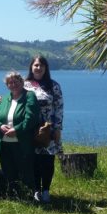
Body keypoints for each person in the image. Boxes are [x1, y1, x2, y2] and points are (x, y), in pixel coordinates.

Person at [0, 71, 39, 198]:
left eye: (16, 82)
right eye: (10, 83)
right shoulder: (5, 98)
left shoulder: (29, 96)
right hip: (4, 143)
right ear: (7, 85)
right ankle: (13, 195)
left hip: (21, 142)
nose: (13, 84)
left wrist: (16, 130)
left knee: (25, 170)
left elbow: (31, 118)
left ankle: (29, 195)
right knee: (8, 170)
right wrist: (0, 126)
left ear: (22, 82)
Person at [24, 55, 64, 203]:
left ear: (46, 68)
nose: (38, 68)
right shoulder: (24, 85)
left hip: (49, 129)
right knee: (33, 161)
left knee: (47, 160)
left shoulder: (53, 86)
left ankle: (46, 190)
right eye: (36, 65)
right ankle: (36, 190)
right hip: (30, 129)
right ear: (31, 67)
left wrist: (58, 128)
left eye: (41, 65)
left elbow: (59, 107)